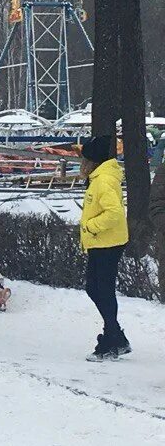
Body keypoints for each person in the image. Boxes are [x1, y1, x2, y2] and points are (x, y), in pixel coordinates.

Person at [79, 135, 131, 361]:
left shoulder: (103, 180)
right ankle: (115, 335)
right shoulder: (98, 178)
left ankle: (112, 340)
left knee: (103, 290)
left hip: (107, 242)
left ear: (92, 161)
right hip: (100, 242)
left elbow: (115, 213)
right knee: (94, 288)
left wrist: (91, 226)